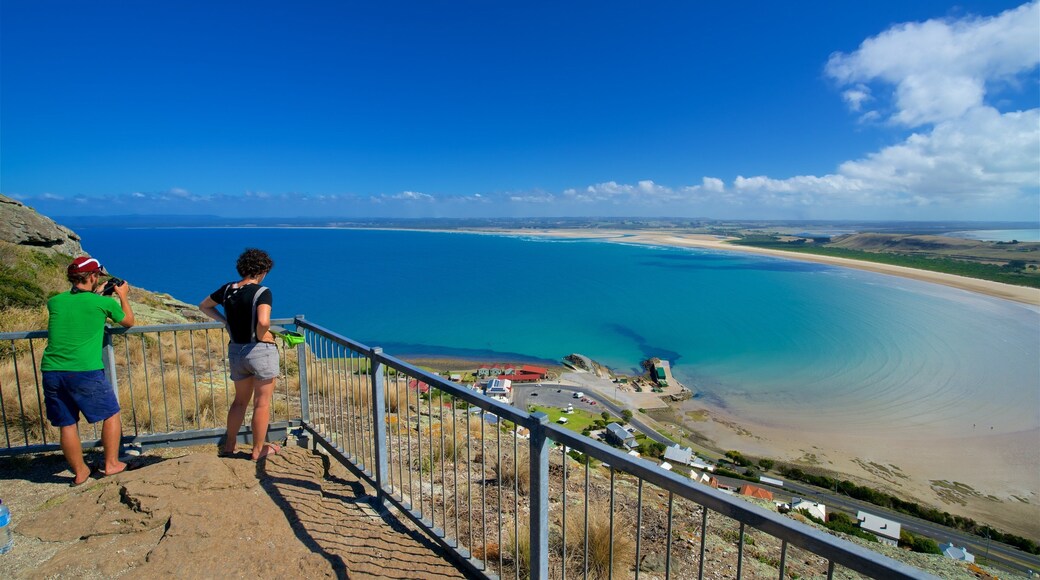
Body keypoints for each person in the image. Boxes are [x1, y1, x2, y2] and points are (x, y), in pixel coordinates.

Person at [41, 256, 136, 486]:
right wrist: (122, 296)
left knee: (67, 423)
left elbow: (79, 306)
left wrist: (97, 295)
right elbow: (129, 321)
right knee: (111, 413)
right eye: (97, 277)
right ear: (93, 276)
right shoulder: (102, 303)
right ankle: (111, 464)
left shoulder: (55, 301)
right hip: (84, 369)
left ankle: (80, 471)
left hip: (52, 370)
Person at [199, 248, 281, 460]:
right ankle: (257, 450)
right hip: (259, 351)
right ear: (262, 270)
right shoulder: (263, 292)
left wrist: (225, 321)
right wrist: (264, 336)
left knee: (239, 402)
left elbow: (204, 305)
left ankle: (230, 445)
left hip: (236, 350)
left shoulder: (228, 289)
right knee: (261, 403)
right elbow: (263, 322)